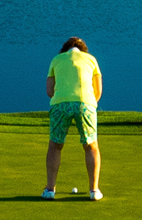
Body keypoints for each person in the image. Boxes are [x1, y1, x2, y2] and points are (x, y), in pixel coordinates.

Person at [43, 35, 103, 199]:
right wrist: (87, 105)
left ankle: (49, 190)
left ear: (65, 49)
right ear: (83, 50)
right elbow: (98, 91)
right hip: (85, 103)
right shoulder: (91, 59)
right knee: (91, 146)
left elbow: (49, 91)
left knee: (55, 146)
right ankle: (94, 191)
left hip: (60, 104)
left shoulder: (56, 60)